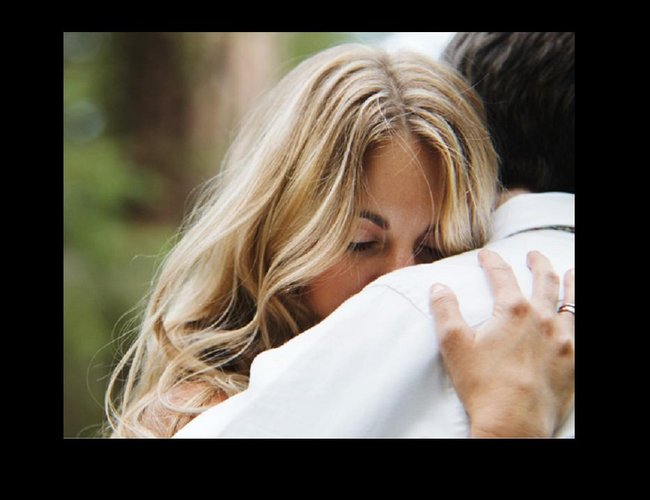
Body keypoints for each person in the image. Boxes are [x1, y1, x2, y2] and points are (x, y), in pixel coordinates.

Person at [106, 41, 572, 438]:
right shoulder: (205, 414)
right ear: (278, 234)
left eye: (434, 249)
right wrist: (509, 425)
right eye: (361, 243)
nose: (400, 277)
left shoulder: (451, 368)